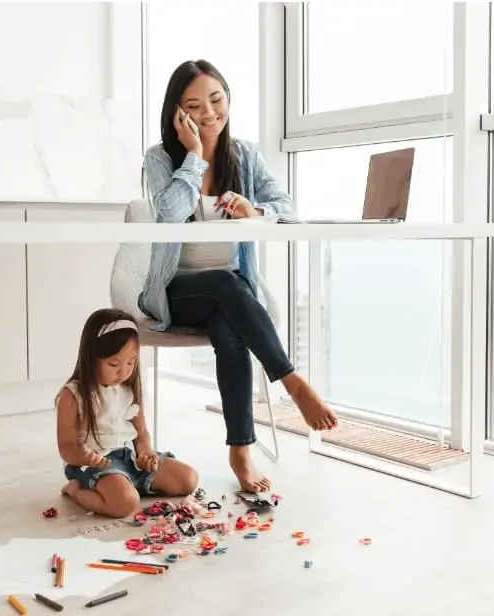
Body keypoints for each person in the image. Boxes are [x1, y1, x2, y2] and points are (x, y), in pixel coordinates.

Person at [138, 59, 338, 493]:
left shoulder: (244, 155)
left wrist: (256, 211)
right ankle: (290, 379)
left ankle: (240, 452)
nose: (209, 113)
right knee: (225, 287)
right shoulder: (159, 159)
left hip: (230, 293)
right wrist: (192, 159)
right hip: (177, 291)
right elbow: (168, 215)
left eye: (216, 99)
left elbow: (289, 210)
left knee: (230, 328)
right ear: (177, 113)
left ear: (228, 98)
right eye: (194, 105)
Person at [57, 308, 199, 518]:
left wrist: (145, 452)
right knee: (125, 505)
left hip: (130, 459)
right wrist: (84, 456)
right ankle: (78, 491)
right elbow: (66, 447)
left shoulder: (129, 389)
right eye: (113, 363)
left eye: (131, 362)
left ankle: (128, 483)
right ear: (91, 357)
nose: (123, 371)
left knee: (188, 479)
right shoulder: (73, 395)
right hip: (96, 463)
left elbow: (141, 433)